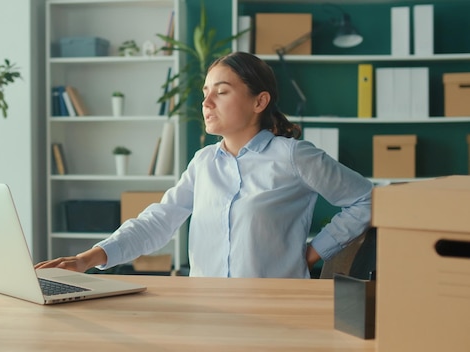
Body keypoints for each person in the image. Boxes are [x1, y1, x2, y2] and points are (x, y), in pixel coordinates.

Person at [35, 52, 372, 278]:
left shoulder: (294, 156)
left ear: (260, 101)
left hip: (276, 306)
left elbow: (366, 199)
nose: (207, 102)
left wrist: (314, 252)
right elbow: (159, 221)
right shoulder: (204, 162)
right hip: (206, 306)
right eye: (205, 92)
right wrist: (91, 257)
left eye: (221, 92)